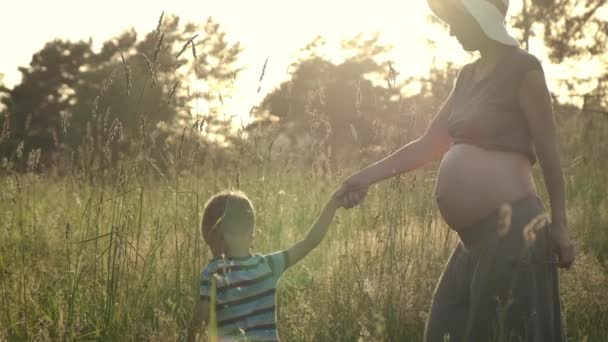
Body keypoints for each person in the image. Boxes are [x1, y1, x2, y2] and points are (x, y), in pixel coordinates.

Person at [337, 0, 576, 341]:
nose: (450, 30)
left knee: (503, 332)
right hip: (473, 240)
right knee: (445, 328)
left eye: (456, 21)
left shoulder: (524, 69)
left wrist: (561, 226)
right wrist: (364, 177)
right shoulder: (467, 76)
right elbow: (428, 145)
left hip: (515, 231)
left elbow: (550, 153)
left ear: (479, 18)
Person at [187, 189, 344, 342]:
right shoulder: (268, 266)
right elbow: (310, 241)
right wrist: (332, 204)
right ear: (251, 234)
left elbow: (199, 323)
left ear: (213, 236)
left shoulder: (214, 272)